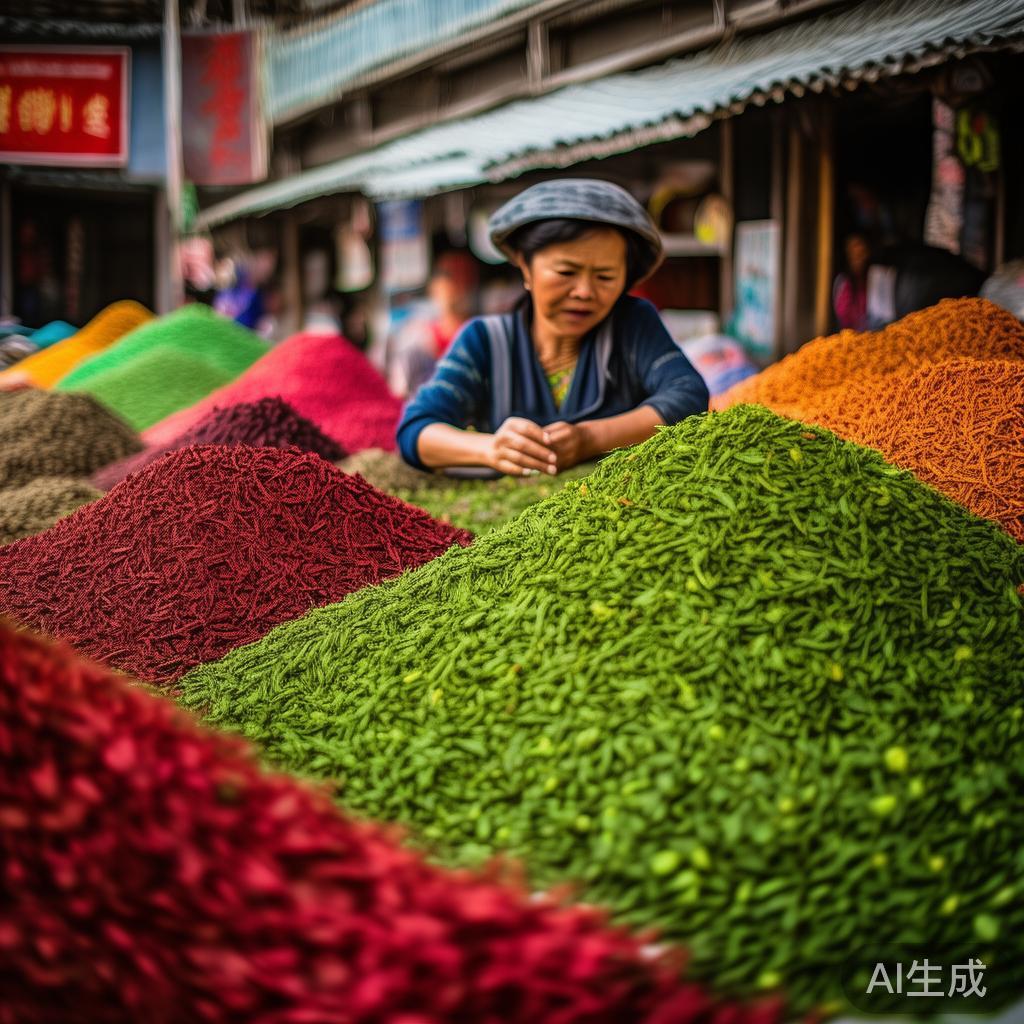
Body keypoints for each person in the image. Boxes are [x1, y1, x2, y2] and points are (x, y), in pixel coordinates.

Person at [396, 179, 709, 477]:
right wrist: (492, 449)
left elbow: (688, 395)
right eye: (566, 271)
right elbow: (416, 430)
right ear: (525, 267)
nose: (585, 291)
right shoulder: (484, 342)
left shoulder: (632, 325)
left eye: (605, 277)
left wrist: (591, 438)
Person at [386, 250, 479, 398]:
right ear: (434, 289)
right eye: (450, 278)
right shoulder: (417, 343)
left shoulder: (481, 337)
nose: (459, 289)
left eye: (464, 280)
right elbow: (399, 395)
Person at [833, 233, 871, 331]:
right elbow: (844, 318)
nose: (859, 260)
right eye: (855, 256)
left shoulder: (872, 279)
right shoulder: (843, 283)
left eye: (861, 254)